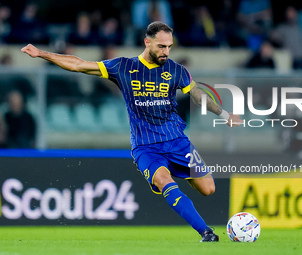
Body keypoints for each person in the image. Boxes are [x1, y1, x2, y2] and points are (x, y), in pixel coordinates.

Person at [21, 21, 241, 242]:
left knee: (208, 188)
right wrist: (41, 53)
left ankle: (175, 176)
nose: (166, 51)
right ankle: (206, 232)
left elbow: (197, 95)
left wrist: (224, 115)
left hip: (178, 142)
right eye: (161, 46)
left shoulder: (176, 70)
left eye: (169, 47)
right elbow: (79, 65)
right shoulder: (123, 67)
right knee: (165, 182)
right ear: (147, 42)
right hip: (146, 147)